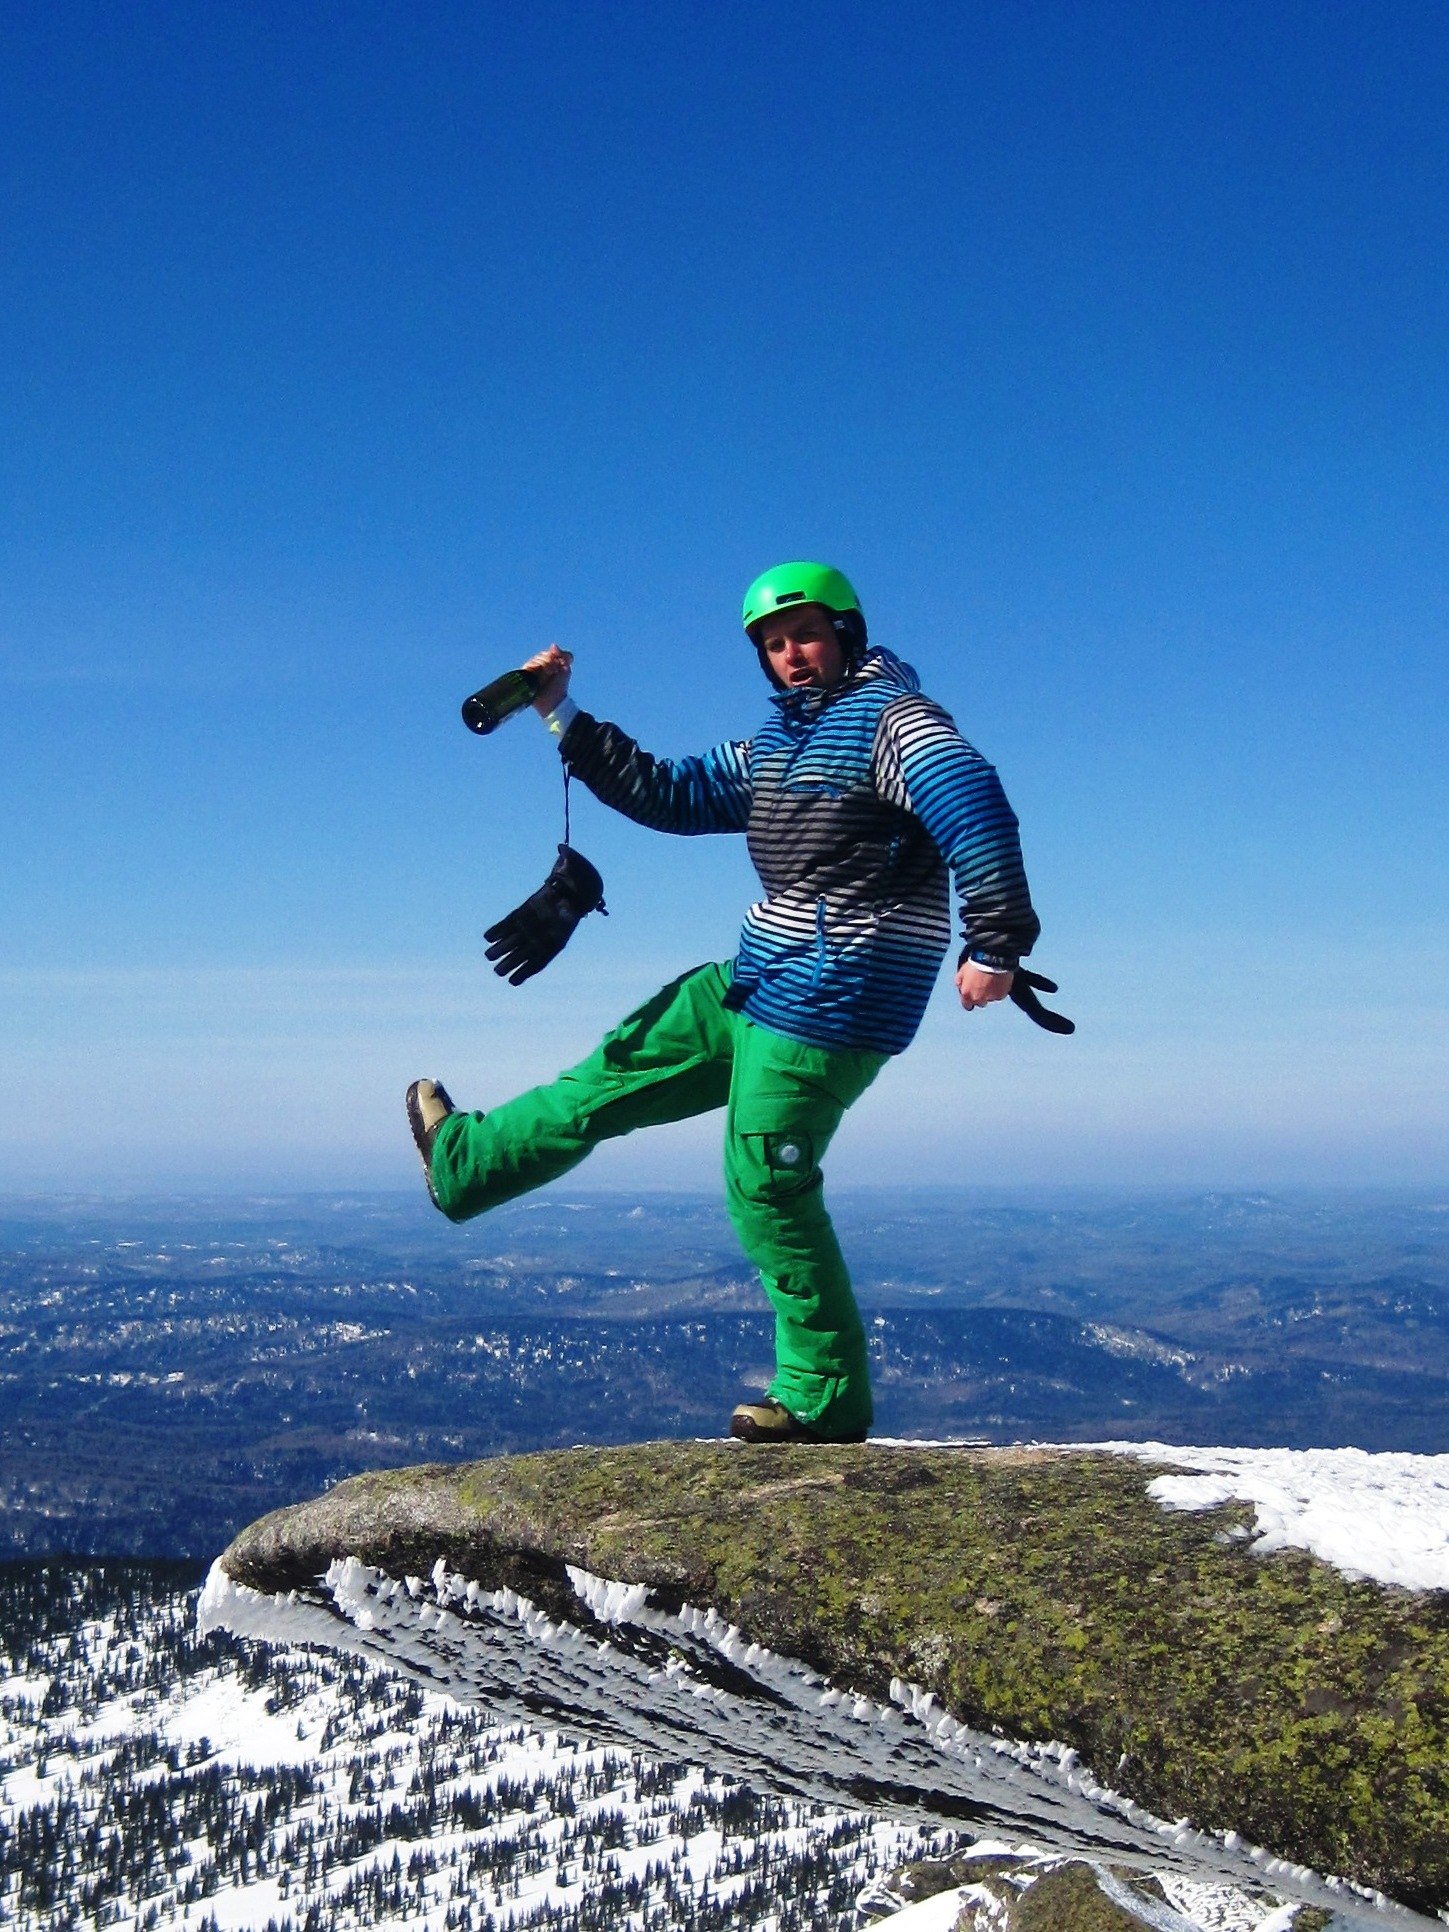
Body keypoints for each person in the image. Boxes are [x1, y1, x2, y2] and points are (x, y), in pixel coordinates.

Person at [407, 562, 1041, 1444]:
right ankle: (467, 1166)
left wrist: (995, 943)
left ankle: (824, 1399)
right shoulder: (780, 741)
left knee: (766, 1186)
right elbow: (672, 792)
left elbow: (975, 808)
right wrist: (559, 711)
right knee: (615, 1067)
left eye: (805, 635)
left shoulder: (895, 723)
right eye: (773, 644)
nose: (791, 655)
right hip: (757, 975)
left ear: (846, 632)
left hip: (834, 999)